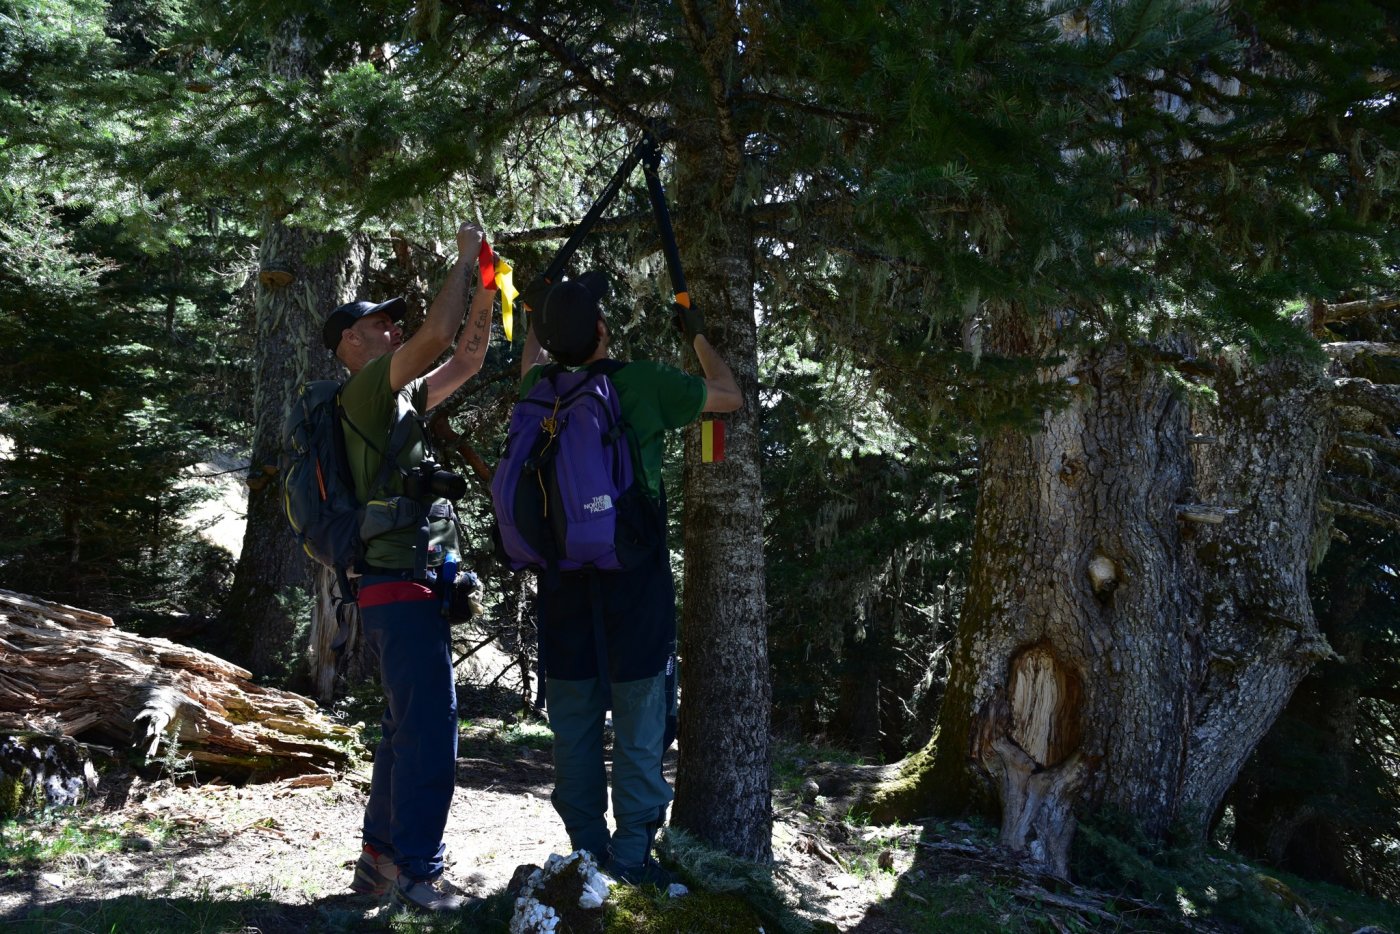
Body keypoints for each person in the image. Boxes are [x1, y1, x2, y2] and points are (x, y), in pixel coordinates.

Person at [518, 271, 742, 883]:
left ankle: (585, 848)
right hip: (632, 578)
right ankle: (632, 850)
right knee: (641, 710)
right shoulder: (643, 383)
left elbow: (530, 360)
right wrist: (696, 337)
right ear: (600, 328)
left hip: (561, 580)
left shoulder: (539, 390)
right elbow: (727, 395)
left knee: (574, 715)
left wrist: (533, 317)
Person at [328, 221, 495, 913]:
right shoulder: (365, 390)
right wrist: (460, 262)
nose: (393, 331)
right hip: (398, 582)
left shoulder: (396, 403)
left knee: (404, 727)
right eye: (379, 325)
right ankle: (421, 874)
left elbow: (466, 361)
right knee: (429, 729)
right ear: (349, 345)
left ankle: (380, 861)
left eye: (393, 325)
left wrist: (486, 284)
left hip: (406, 585)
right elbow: (435, 340)